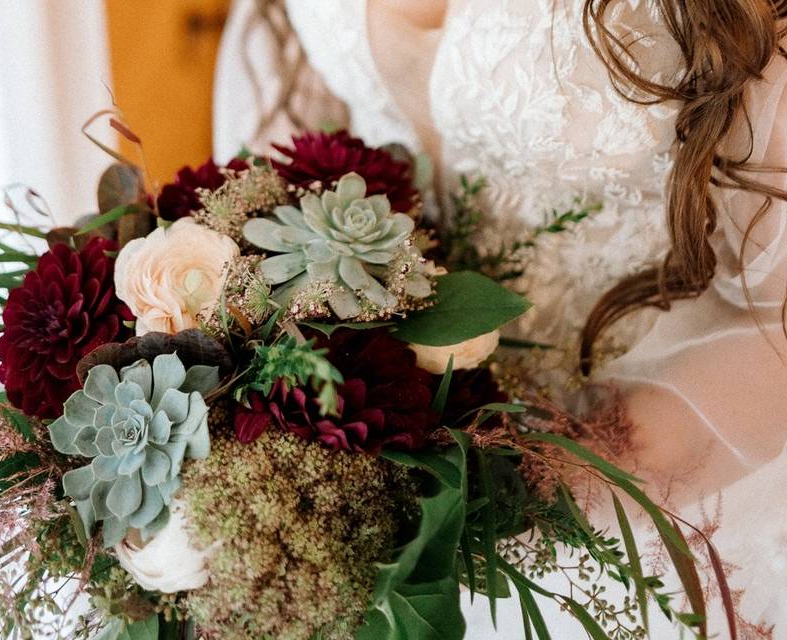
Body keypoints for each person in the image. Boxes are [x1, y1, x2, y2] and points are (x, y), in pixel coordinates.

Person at [214, 1, 787, 637]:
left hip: (640, 481)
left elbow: (776, 312)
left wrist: (520, 500)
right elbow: (314, 129)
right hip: (392, 464)